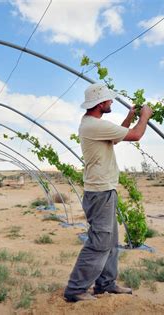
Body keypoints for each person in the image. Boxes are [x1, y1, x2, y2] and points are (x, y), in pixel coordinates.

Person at [64, 83, 153, 302]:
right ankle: (75, 289)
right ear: (100, 103)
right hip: (100, 192)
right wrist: (145, 116)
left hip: (103, 191)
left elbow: (116, 136)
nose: (112, 102)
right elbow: (135, 135)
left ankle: (105, 284)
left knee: (111, 241)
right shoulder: (93, 126)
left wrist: (130, 116)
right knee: (100, 241)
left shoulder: (94, 124)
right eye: (109, 100)